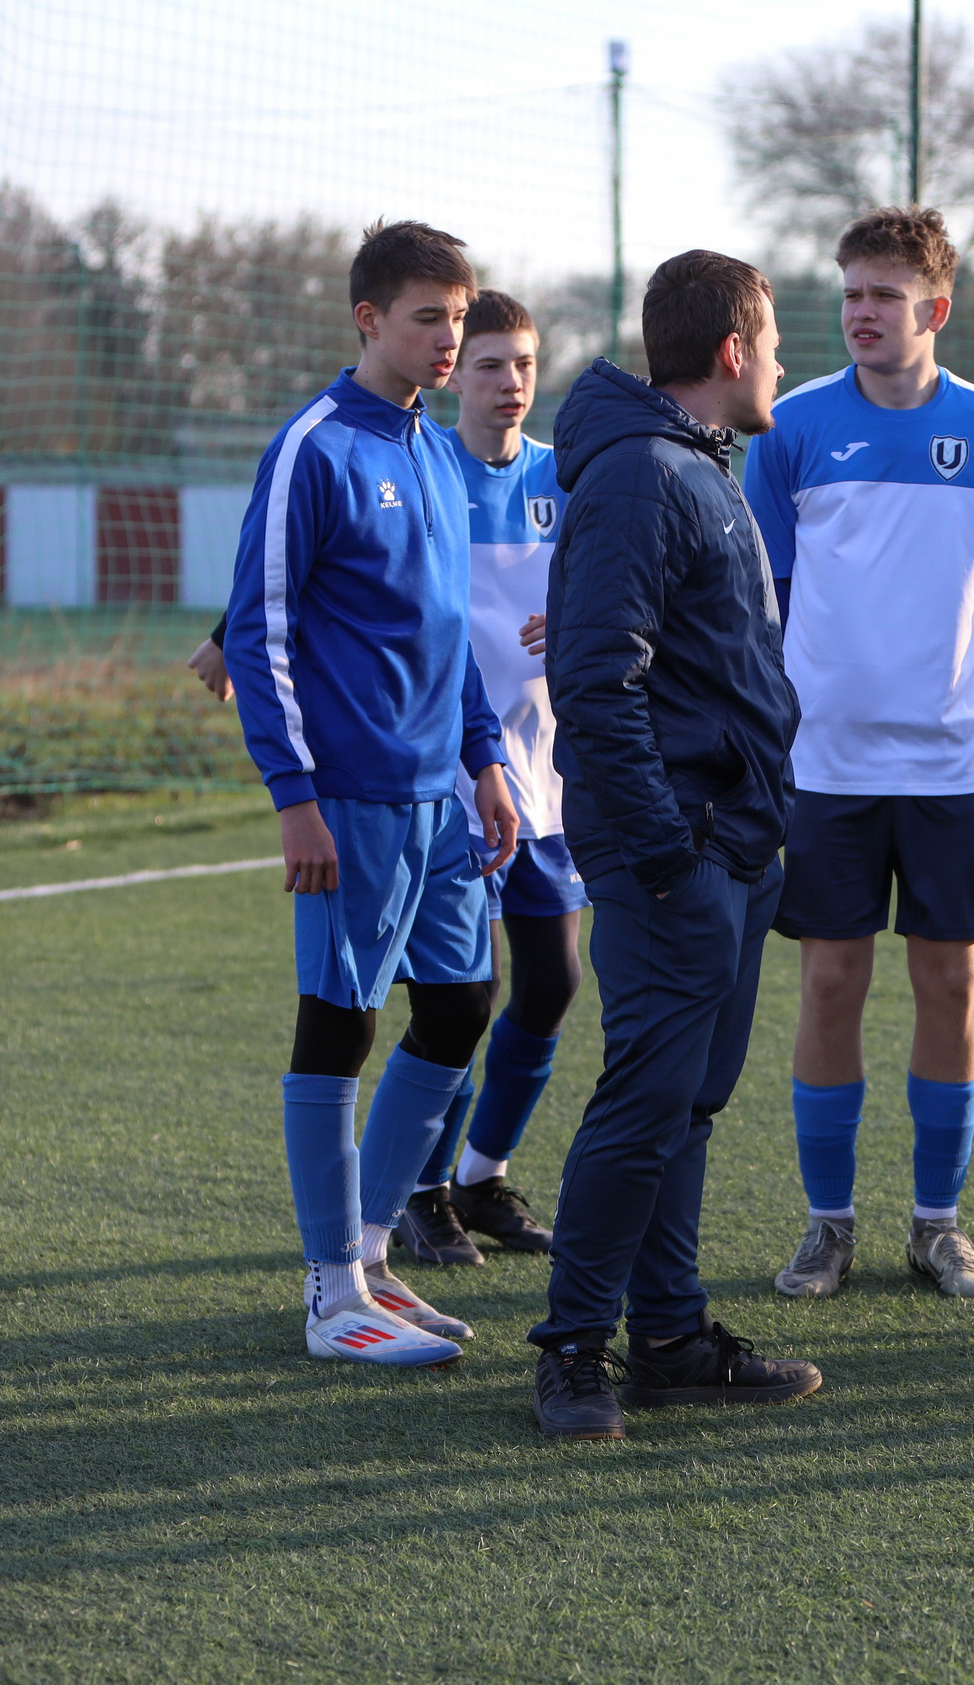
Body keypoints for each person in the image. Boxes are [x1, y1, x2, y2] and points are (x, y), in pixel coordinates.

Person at [528, 249, 821, 1441]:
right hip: (679, 852)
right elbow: (595, 682)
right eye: (777, 340)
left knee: (686, 1107)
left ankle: (670, 1338)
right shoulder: (648, 474)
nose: (786, 361)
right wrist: (661, 851)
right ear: (734, 353)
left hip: (734, 844)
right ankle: (569, 1349)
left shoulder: (699, 464)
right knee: (644, 1103)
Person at [218, 219, 518, 1369]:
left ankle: (373, 1252)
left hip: (442, 796)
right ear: (368, 321)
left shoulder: (439, 452)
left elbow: (456, 637)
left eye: (460, 314)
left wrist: (486, 760)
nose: (450, 338)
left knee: (457, 1007)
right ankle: (328, 1292)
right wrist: (293, 793)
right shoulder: (313, 447)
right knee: (338, 1023)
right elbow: (260, 631)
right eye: (428, 317)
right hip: (344, 794)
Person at [741, 207, 974, 1303]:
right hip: (824, 765)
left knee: (950, 981)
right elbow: (766, 593)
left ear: (935, 310)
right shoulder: (792, 425)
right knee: (828, 981)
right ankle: (826, 1225)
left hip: (953, 763)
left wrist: (931, 682)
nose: (861, 313)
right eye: (850, 293)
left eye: (884, 296)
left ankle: (937, 1224)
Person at [387, 288, 573, 1268]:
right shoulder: (421, 471)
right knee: (462, 998)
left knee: (552, 983)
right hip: (452, 778)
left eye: (524, 366)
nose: (509, 382)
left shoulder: (565, 479)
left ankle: (482, 1174)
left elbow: (618, 585)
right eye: (491, 363)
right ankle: (421, 1193)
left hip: (546, 775)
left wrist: (578, 621)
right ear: (456, 371)